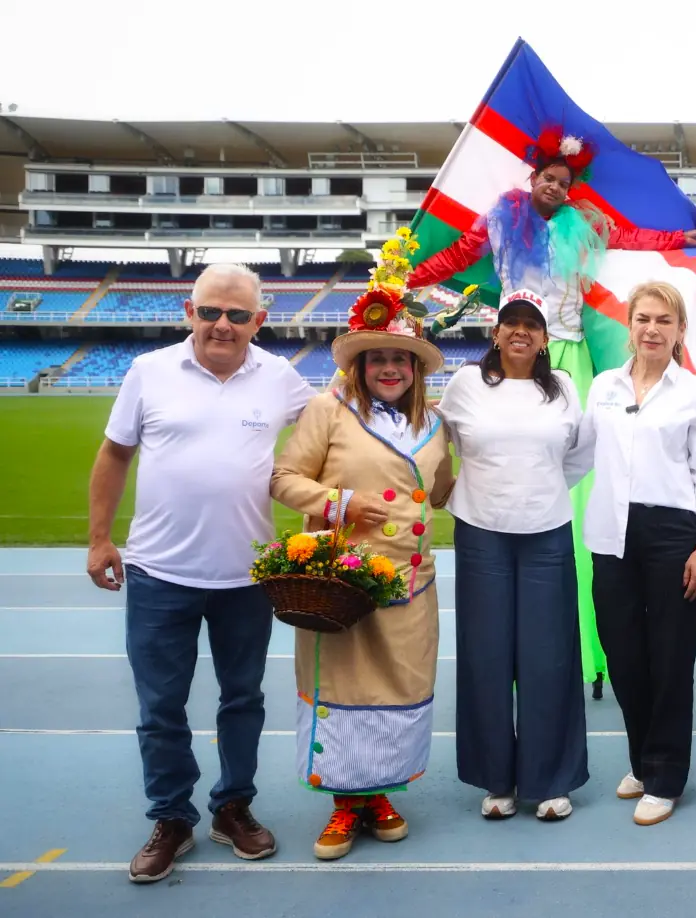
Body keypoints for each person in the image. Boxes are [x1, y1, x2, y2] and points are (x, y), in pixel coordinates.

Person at [407, 126, 696, 700]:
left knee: (590, 481)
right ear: (533, 178)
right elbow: (456, 255)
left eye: (564, 182)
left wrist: (681, 237)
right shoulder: (499, 220)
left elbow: (634, 236)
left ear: (572, 188)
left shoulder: (587, 225)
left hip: (568, 356)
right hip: (519, 350)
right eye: (548, 178)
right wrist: (405, 277)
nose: (554, 187)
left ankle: (594, 641)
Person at [87, 263, 316, 883]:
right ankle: (171, 817)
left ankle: (233, 807)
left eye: (238, 315)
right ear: (190, 311)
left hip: (248, 577)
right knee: (161, 705)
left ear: (259, 322)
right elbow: (114, 453)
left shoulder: (281, 377)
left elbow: (332, 429)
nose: (223, 324)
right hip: (160, 573)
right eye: (211, 312)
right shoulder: (149, 371)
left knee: (242, 700)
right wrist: (100, 538)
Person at [269, 284, 455, 860]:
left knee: (401, 689)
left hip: (412, 583)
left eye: (401, 357)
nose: (391, 367)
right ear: (361, 365)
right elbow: (282, 479)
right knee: (347, 688)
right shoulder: (329, 410)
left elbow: (443, 492)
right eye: (379, 357)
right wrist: (340, 503)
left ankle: (381, 795)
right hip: (346, 582)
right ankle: (345, 805)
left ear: (415, 367)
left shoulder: (436, 422)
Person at [569, 280, 696, 826]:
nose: (652, 329)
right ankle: (641, 757)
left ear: (680, 331)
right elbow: (581, 456)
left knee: (671, 657)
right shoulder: (605, 387)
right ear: (629, 326)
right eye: (643, 319)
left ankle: (665, 774)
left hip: (673, 532)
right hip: (610, 532)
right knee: (624, 656)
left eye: (664, 320)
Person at [438, 289, 590, 822]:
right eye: (511, 323)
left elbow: (579, 455)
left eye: (532, 324)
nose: (521, 331)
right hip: (481, 534)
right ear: (496, 333)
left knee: (549, 658)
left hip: (547, 534)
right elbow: (439, 444)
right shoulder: (465, 385)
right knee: (486, 656)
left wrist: (540, 487)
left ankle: (551, 781)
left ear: (546, 338)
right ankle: (497, 780)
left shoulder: (564, 389)